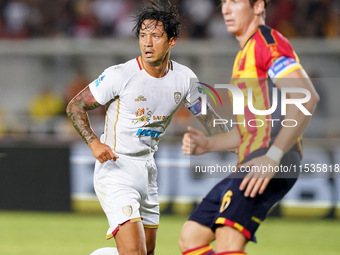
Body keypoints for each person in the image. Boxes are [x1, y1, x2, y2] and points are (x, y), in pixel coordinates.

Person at [66, 1, 226, 255]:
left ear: (172, 41)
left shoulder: (185, 79)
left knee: (145, 253)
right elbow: (75, 106)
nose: (147, 43)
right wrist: (94, 143)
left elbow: (212, 121)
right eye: (142, 35)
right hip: (116, 169)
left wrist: (244, 147)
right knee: (134, 253)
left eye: (155, 36)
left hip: (148, 171)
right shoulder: (121, 75)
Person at [179, 0, 320, 254]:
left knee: (228, 240)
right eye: (223, 2)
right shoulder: (244, 56)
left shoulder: (268, 43)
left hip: (271, 157)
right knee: (192, 237)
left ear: (257, 7)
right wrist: (209, 143)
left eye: (235, 1)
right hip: (253, 158)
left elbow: (306, 97)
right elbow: (250, 130)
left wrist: (273, 156)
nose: (226, 9)